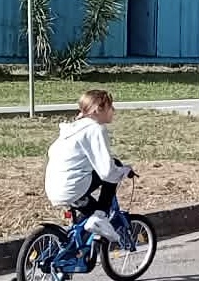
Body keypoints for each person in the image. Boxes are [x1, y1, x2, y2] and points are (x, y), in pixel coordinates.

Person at [45, 89, 135, 244]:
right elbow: (107, 172)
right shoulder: (95, 129)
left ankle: (81, 240)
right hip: (72, 187)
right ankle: (100, 217)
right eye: (110, 107)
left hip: (55, 187)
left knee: (88, 210)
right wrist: (124, 171)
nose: (113, 110)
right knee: (115, 166)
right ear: (98, 109)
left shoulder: (73, 128)